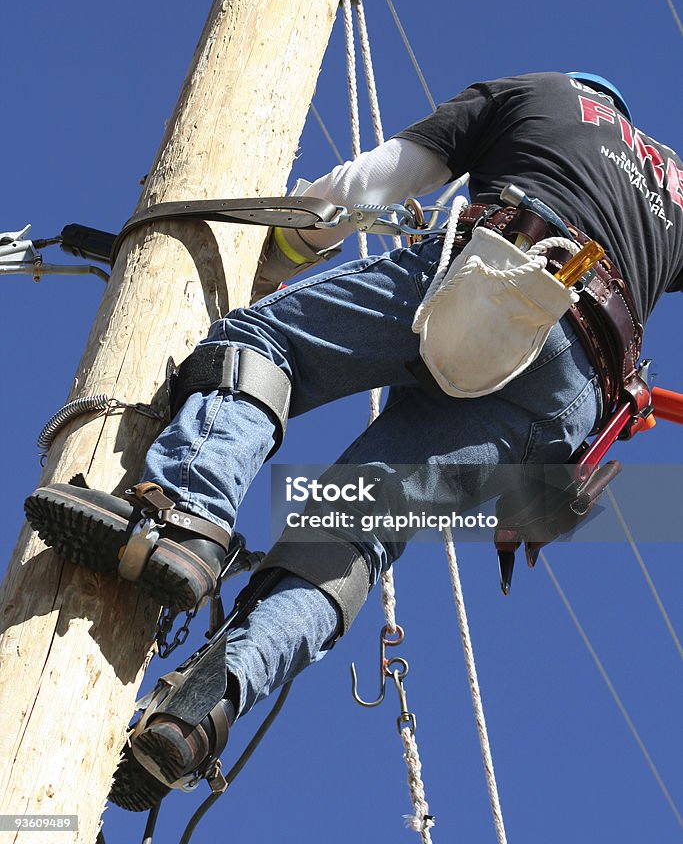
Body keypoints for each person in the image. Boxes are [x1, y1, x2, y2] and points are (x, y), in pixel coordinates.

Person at [25, 71, 683, 810]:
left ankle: (182, 518)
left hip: (498, 275)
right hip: (572, 393)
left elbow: (378, 179)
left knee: (261, 343)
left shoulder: (537, 94)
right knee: (355, 529)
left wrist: (281, 254)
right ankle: (202, 709)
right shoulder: (676, 188)